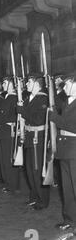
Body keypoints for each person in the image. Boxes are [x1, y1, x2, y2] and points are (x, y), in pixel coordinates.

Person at [17, 74, 50, 210]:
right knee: (29, 170)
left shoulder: (43, 99)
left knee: (37, 170)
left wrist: (22, 111)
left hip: (38, 138)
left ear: (37, 84)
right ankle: (34, 196)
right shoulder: (29, 98)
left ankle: (42, 200)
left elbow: (38, 119)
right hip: (29, 137)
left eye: (29, 82)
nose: (26, 85)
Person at [49, 73, 76, 231]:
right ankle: (70, 219)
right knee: (67, 188)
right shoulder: (68, 101)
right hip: (65, 149)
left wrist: (55, 118)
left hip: (74, 150)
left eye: (66, 84)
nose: (63, 88)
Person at [0, 77, 19, 194]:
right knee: (3, 159)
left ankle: (12, 184)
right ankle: (7, 182)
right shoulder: (7, 97)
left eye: (5, 83)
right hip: (3, 131)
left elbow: (15, 116)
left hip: (8, 132)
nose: (3, 85)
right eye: (3, 83)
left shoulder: (14, 97)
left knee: (8, 159)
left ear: (12, 85)